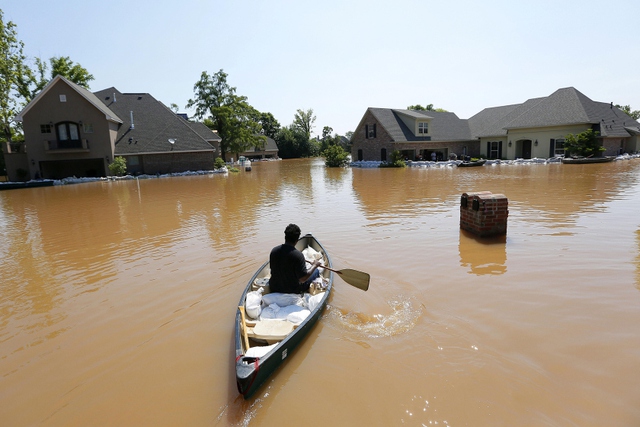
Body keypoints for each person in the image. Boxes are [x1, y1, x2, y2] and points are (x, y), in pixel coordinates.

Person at [269, 224, 322, 294]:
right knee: (316, 271)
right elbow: (303, 279)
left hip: (274, 287)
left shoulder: (274, 251)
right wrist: (315, 265)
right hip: (293, 290)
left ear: (285, 237)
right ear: (297, 240)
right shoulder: (298, 255)